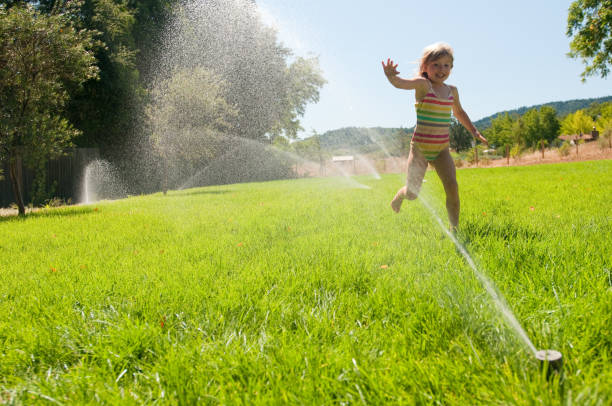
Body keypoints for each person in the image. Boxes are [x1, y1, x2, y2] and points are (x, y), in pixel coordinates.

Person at [382, 42, 487, 230]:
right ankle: (400, 195)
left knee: (452, 187)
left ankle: (455, 229)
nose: (441, 69)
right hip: (420, 149)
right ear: (425, 67)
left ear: (451, 68)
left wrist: (474, 130)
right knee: (413, 193)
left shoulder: (451, 91)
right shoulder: (423, 85)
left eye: (446, 65)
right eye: (436, 64)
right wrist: (391, 76)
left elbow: (459, 113)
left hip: (441, 150)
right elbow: (401, 83)